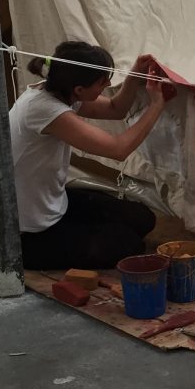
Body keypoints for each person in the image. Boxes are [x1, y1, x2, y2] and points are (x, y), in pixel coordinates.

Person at [9, 40, 168, 269]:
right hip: (28, 232)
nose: (108, 85)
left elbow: (115, 109)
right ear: (79, 90)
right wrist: (156, 106)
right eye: (102, 83)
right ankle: (39, 250)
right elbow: (118, 149)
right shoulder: (45, 110)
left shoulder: (59, 91)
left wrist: (134, 76)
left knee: (142, 218)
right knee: (129, 245)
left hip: (53, 203)